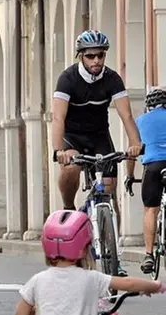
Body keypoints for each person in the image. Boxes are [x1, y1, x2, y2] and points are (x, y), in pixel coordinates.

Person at [51, 29, 143, 277]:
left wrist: (136, 145)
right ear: (81, 56)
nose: (96, 61)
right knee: (71, 168)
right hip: (73, 137)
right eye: (90, 56)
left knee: (110, 190)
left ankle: (114, 255)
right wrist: (59, 150)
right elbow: (58, 117)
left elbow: (126, 115)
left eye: (100, 56)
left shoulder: (112, 79)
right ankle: (69, 205)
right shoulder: (68, 79)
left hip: (100, 136)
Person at [15, 210, 164, 315]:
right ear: (84, 249)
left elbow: (21, 311)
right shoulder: (92, 278)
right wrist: (155, 286)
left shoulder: (37, 281)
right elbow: (129, 283)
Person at [128, 87, 166, 274]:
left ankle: (149, 254)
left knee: (150, 209)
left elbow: (132, 153)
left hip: (153, 167)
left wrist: (129, 176)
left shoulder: (140, 121)